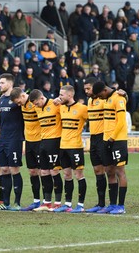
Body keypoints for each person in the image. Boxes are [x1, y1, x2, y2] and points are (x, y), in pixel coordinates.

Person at [93, 81, 128, 214]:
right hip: (106, 140)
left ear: (104, 90)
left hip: (118, 140)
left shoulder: (118, 98)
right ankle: (112, 204)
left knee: (120, 171)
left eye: (99, 95)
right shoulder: (107, 99)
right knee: (109, 171)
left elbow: (121, 122)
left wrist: (112, 138)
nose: (99, 98)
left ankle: (121, 206)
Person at [51, 85, 88, 213]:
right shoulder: (60, 108)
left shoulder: (82, 109)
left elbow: (94, 119)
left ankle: (80, 205)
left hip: (76, 147)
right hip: (63, 146)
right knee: (67, 175)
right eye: (59, 94)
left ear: (70, 95)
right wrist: (56, 100)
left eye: (62, 94)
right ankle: (67, 204)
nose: (59, 96)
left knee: (79, 175)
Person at [0, 74, 24, 210]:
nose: (0, 85)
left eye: (2, 82)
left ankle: (17, 202)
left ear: (10, 84)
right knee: (3, 169)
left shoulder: (17, 99)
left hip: (14, 139)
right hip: (2, 139)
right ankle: (6, 203)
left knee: (14, 169)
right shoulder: (1, 99)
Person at [27, 89, 63, 212]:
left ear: (42, 98)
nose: (35, 106)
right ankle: (47, 202)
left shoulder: (55, 104)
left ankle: (57, 202)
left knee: (54, 172)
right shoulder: (36, 108)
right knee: (44, 172)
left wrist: (61, 100)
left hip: (55, 141)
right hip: (42, 142)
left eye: (36, 103)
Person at [10, 87, 42, 211]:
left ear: (23, 96)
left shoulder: (35, 103)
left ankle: (47, 201)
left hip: (40, 141)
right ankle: (36, 201)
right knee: (32, 172)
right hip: (29, 142)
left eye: (19, 102)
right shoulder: (22, 106)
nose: (19, 105)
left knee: (43, 172)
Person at [82, 77, 108, 212]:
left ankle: (113, 203)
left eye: (88, 88)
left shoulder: (104, 100)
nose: (86, 91)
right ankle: (100, 204)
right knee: (97, 170)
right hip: (93, 138)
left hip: (104, 138)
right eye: (85, 89)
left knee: (109, 171)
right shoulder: (90, 101)